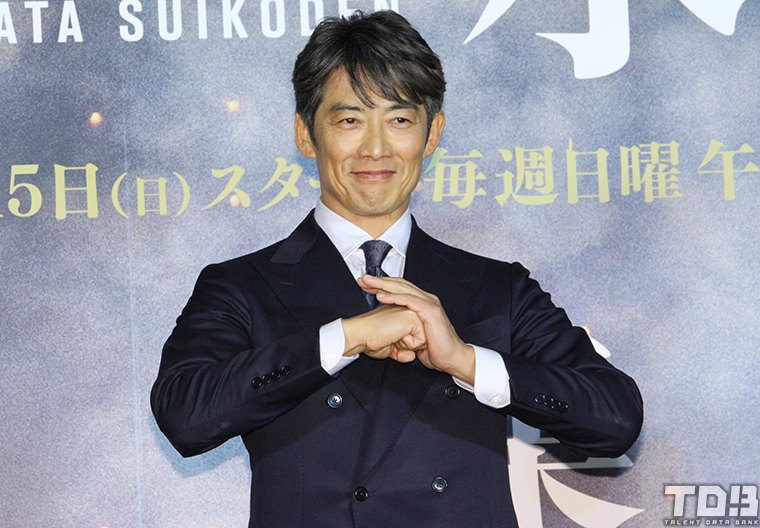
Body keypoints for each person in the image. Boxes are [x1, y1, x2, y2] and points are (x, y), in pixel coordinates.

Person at [151, 10, 643, 528]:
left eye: (400, 120)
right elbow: (185, 415)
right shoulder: (242, 286)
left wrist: (465, 361)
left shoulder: (498, 287)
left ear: (432, 134)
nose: (375, 148)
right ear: (305, 133)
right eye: (349, 120)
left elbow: (615, 420)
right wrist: (345, 338)